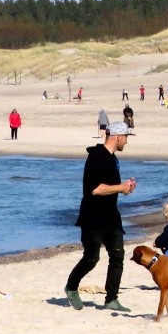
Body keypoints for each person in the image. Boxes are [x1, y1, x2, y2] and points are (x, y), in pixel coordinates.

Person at [64, 121, 137, 312]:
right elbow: (95, 190)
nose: (127, 142)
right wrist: (120, 187)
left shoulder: (113, 159)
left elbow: (109, 188)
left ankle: (111, 299)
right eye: (126, 137)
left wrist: (124, 188)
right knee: (91, 257)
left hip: (111, 216)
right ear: (118, 137)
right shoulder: (96, 157)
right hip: (92, 217)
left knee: (118, 255)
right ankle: (71, 287)